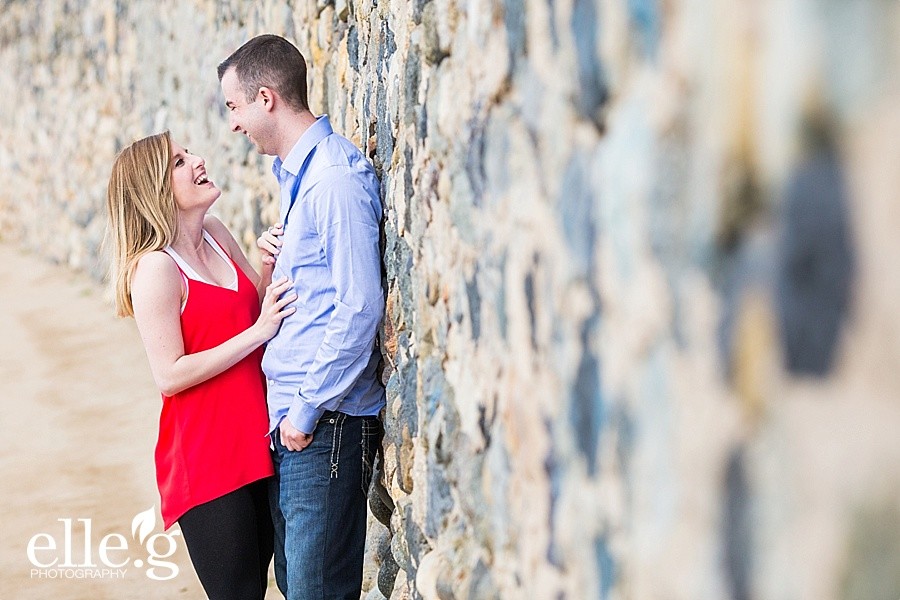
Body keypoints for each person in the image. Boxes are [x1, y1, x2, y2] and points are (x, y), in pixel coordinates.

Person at [218, 34, 386, 600]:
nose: (233, 124)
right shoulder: (300, 180)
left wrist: (306, 410)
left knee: (316, 592)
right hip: (296, 425)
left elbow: (359, 305)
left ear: (266, 97)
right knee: (299, 588)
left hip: (323, 424)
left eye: (234, 107)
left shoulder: (334, 180)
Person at [106, 131, 297, 600]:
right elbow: (169, 374)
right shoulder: (155, 270)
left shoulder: (216, 233)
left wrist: (268, 263)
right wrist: (256, 333)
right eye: (178, 162)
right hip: (207, 462)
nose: (197, 161)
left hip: (257, 444)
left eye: (188, 154)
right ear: (154, 188)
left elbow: (257, 310)